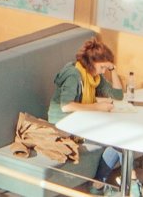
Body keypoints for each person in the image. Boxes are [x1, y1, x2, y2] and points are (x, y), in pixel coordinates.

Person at [47, 38, 133, 196]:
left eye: (105, 68)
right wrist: (97, 107)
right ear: (91, 62)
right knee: (120, 141)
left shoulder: (94, 77)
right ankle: (123, 185)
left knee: (122, 139)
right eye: (102, 67)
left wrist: (112, 69)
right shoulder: (74, 74)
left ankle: (99, 185)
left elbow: (118, 95)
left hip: (81, 121)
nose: (103, 71)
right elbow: (66, 106)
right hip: (63, 125)